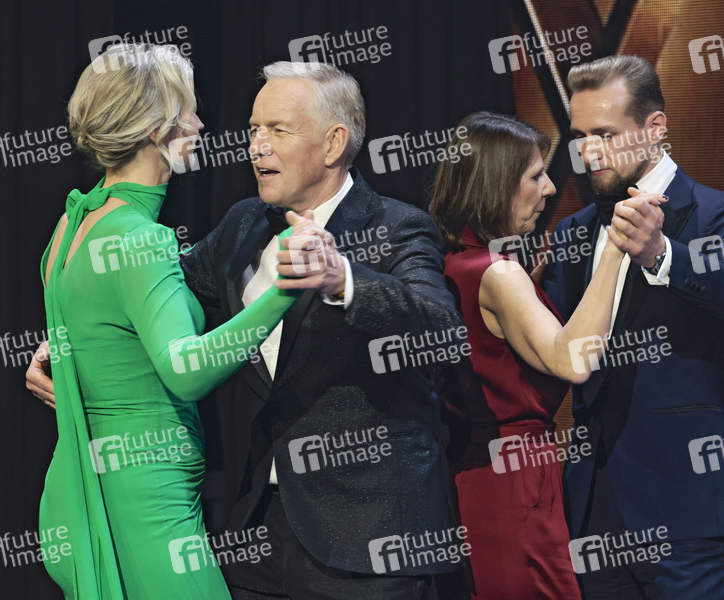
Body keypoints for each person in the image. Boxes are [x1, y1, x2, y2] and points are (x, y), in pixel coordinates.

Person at [29, 60, 464, 599]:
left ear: (333, 144)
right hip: (260, 531)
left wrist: (342, 278)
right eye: (253, 129)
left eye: (277, 130)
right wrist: (72, 346)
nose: (255, 147)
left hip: (368, 538)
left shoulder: (395, 226)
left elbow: (444, 331)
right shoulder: (243, 223)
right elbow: (146, 295)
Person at [38, 44, 316, 599]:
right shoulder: (138, 239)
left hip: (79, 492)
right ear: (154, 128)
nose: (200, 125)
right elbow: (185, 370)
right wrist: (285, 288)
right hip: (146, 505)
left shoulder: (72, 226)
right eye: (189, 110)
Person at [542, 55, 724, 598]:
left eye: (605, 134)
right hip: (592, 510)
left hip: (686, 509)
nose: (589, 152)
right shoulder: (574, 231)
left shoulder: (717, 214)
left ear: (655, 128)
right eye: (579, 136)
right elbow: (555, 350)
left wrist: (662, 254)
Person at [429, 112, 658, 600]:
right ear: (496, 184)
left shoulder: (454, 263)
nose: (550, 188)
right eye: (535, 176)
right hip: (514, 485)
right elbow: (573, 361)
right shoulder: (498, 273)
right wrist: (614, 249)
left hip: (475, 475)